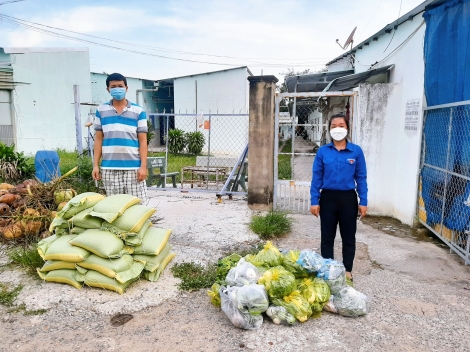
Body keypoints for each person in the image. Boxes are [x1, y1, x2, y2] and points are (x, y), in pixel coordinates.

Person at [310, 113, 368, 282]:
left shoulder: (356, 151)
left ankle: (347, 270)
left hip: (348, 199)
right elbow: (317, 177)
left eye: (341, 125)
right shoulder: (323, 151)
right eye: (333, 126)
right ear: (329, 130)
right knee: (327, 236)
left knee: (348, 236)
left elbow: (361, 177)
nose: (337, 129)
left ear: (347, 128)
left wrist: (363, 201)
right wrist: (315, 200)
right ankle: (327, 270)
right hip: (327, 198)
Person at [92, 73, 149, 204]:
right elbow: (99, 139)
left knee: (138, 205)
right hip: (109, 168)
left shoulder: (138, 111)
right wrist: (95, 165)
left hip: (133, 168)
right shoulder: (101, 110)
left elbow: (143, 141)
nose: (117, 89)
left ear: (126, 88)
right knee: (114, 206)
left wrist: (143, 167)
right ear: (108, 89)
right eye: (113, 86)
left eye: (120, 86)